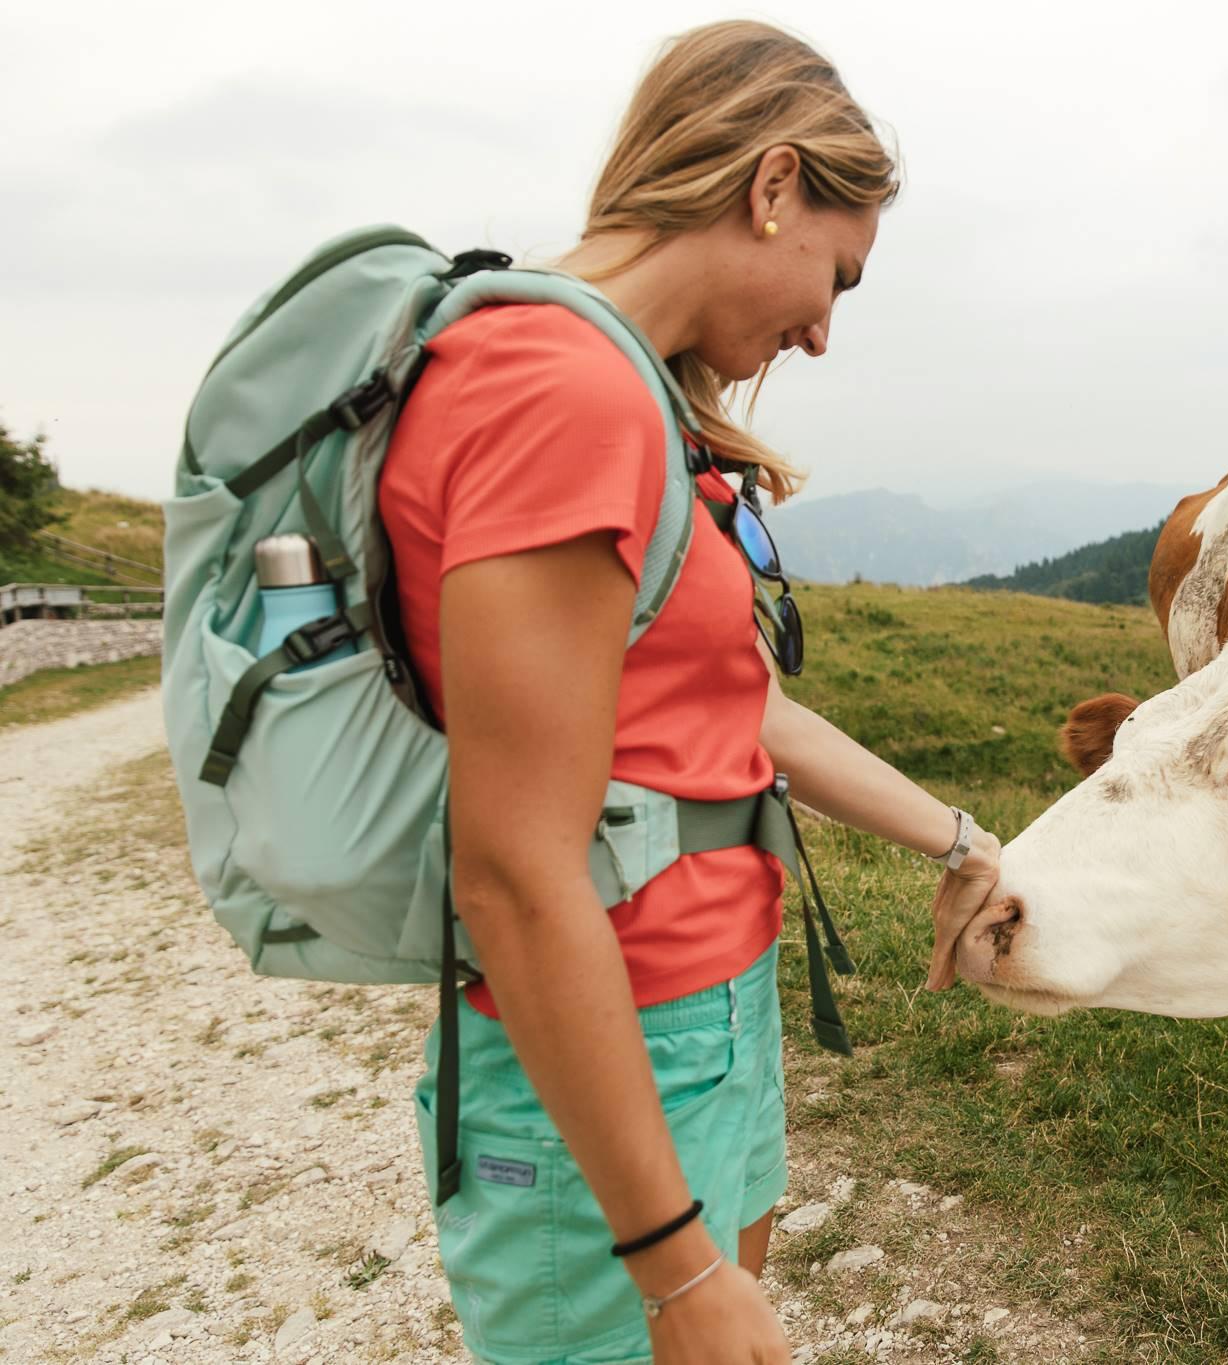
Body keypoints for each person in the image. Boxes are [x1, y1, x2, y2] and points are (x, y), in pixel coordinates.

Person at [377, 22, 1002, 1363]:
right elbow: (513, 871)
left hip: (700, 1015)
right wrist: (671, 1264)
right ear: (772, 185)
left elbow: (738, 709)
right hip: (617, 1044)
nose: (825, 333)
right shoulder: (564, 394)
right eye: (837, 272)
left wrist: (958, 836)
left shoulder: (636, 399)